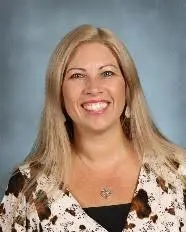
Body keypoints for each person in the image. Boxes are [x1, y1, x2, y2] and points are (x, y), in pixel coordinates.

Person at [0, 24, 185, 232]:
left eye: (107, 73)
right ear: (59, 94)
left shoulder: (178, 173)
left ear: (128, 86)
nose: (93, 88)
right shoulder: (28, 186)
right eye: (77, 76)